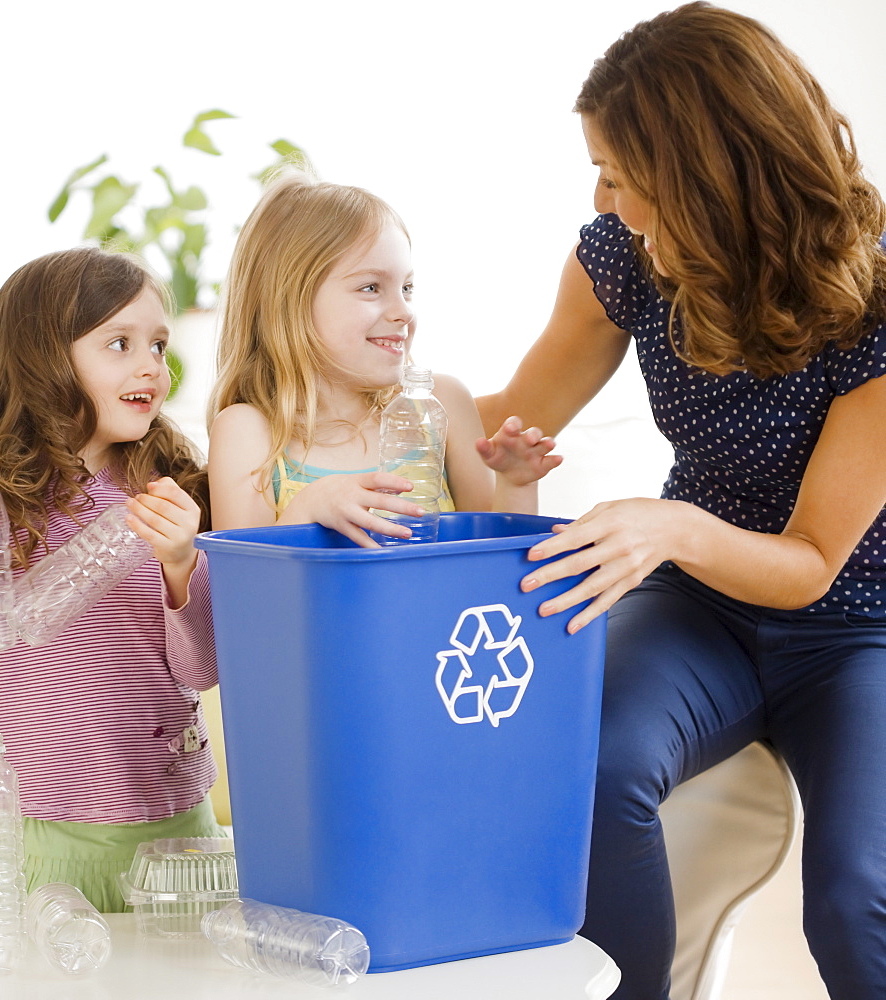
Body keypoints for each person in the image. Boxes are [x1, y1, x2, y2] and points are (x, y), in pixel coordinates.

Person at [476, 4, 886, 998]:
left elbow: (809, 562)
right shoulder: (618, 261)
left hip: (859, 628)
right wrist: (333, 416)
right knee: (589, 772)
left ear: (702, 172)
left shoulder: (875, 305)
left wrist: (668, 527)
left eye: (619, 171)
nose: (603, 197)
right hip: (698, 609)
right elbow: (500, 419)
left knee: (853, 894)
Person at [0, 247, 222, 911]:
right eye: (120, 343)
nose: (151, 365)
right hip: (34, 834)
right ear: (45, 358)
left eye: (158, 344)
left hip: (174, 828)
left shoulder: (176, 493)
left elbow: (202, 669)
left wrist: (184, 561)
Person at [207, 170, 560, 538]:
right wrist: (309, 507)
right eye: (371, 287)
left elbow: (494, 557)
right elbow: (246, 583)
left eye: (407, 288)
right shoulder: (247, 431)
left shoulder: (443, 403)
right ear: (289, 303)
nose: (403, 311)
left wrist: (516, 485)